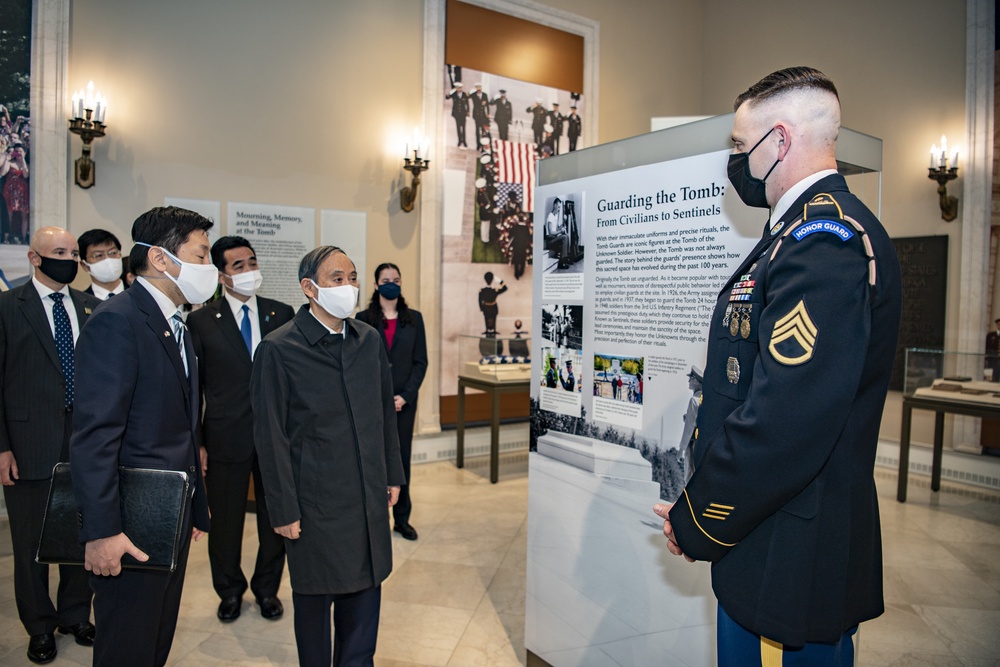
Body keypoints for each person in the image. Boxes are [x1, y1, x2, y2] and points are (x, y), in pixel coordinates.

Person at [654, 67, 902, 665]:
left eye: (740, 146)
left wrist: (699, 517)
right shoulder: (793, 233)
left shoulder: (823, 242)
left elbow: (785, 419)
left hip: (791, 548)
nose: (734, 161)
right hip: (770, 531)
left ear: (781, 140)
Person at [71, 206, 215, 666]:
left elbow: (180, 428)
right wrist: (103, 531)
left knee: (154, 644)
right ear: (160, 259)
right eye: (201, 254)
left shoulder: (179, 327)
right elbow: (95, 437)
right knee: (126, 649)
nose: (208, 267)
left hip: (167, 516)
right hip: (128, 526)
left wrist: (191, 504)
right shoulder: (119, 321)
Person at [251, 245, 404, 667]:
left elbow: (383, 416)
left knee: (365, 595)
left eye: (353, 277)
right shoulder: (279, 349)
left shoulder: (367, 340)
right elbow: (271, 437)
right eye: (337, 279)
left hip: (366, 496)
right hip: (314, 503)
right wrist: (282, 509)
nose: (348, 287)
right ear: (309, 288)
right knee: (316, 606)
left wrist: (393, 473)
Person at [0, 227, 99, 664]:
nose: (70, 260)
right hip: (27, 445)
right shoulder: (7, 308)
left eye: (75, 253)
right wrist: (2, 447)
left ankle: (75, 615)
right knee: (31, 544)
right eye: (59, 252)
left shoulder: (91, 307)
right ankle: (39, 625)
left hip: (84, 445)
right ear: (34, 258)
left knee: (83, 536)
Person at [187, 236, 294, 623]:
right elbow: (192, 388)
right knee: (226, 524)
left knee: (276, 520)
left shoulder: (281, 314)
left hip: (276, 439)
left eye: (252, 262)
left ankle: (268, 590)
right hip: (224, 439)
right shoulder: (200, 320)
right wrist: (196, 441)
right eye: (238, 266)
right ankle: (229, 590)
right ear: (220, 275)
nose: (249, 271)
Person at [356, 262, 428, 542]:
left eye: (396, 279)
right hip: (373, 404)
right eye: (385, 279)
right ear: (375, 285)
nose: (391, 283)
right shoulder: (362, 318)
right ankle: (376, 520)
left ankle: (402, 519)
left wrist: (405, 396)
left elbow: (420, 362)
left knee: (401, 461)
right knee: (373, 461)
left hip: (404, 404)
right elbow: (358, 364)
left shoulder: (415, 319)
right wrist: (382, 398)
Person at [79, 228, 126, 299]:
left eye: (112, 253)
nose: (108, 259)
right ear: (84, 265)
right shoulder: (79, 302)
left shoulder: (140, 295)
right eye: (99, 255)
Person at [677, 366, 702, 483]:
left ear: (697, 381)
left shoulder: (694, 400)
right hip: (701, 443)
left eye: (691, 378)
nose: (689, 381)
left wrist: (681, 448)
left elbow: (689, 427)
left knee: (689, 476)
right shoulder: (704, 398)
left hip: (691, 442)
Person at [446, 81, 470, 148]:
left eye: (459, 88)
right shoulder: (454, 94)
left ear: (461, 88)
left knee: (464, 128)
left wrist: (468, 113)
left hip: (463, 113)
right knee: (458, 128)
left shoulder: (465, 94)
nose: (458, 89)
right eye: (457, 88)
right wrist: (449, 93)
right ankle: (459, 141)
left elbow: (467, 104)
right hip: (456, 113)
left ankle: (464, 141)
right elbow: (447, 97)